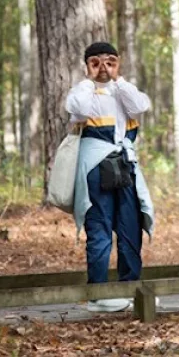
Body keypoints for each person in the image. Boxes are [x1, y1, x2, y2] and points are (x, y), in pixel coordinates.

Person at [66, 42, 154, 313]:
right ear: (87, 65)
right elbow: (76, 108)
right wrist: (90, 80)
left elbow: (140, 105)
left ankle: (130, 288)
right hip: (95, 166)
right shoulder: (83, 92)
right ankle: (98, 292)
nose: (103, 67)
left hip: (124, 164)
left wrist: (118, 78)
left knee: (130, 226)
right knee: (100, 227)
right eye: (96, 62)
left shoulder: (123, 90)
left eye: (110, 61)